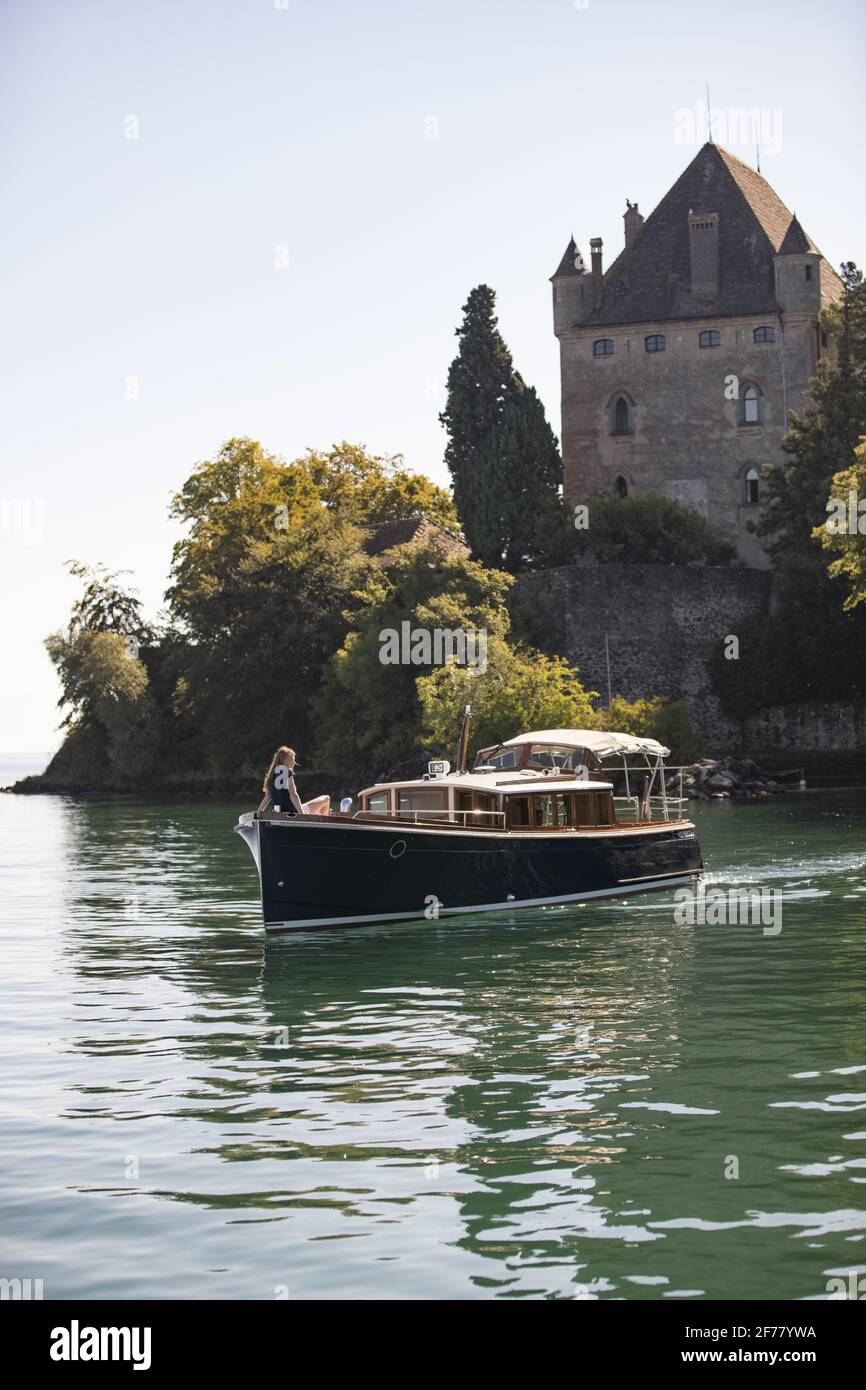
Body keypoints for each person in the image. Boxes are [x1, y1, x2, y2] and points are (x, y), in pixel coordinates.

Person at [259, 746, 330, 817]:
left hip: (278, 814)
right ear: (283, 760)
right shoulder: (287, 771)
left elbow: (267, 798)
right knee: (326, 798)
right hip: (293, 814)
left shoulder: (271, 775)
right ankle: (325, 824)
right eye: (291, 760)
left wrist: (258, 813)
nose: (294, 763)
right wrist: (302, 814)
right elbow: (294, 795)